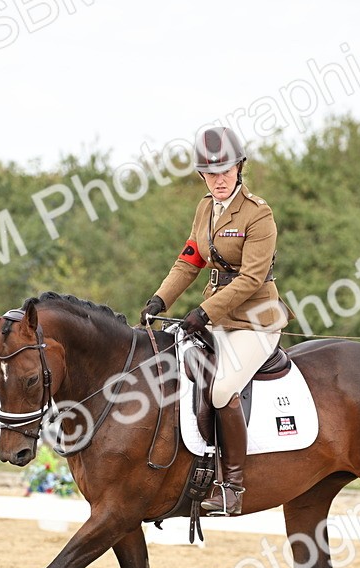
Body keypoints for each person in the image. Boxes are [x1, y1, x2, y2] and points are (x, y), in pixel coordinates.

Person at [139, 127, 290, 516]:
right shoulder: (205, 208)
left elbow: (252, 279)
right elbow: (190, 259)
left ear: (239, 168)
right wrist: (160, 299)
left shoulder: (259, 214)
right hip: (216, 321)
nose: (219, 179)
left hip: (255, 322)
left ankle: (233, 487)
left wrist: (203, 313)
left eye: (225, 171)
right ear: (202, 176)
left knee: (222, 390)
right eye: (210, 173)